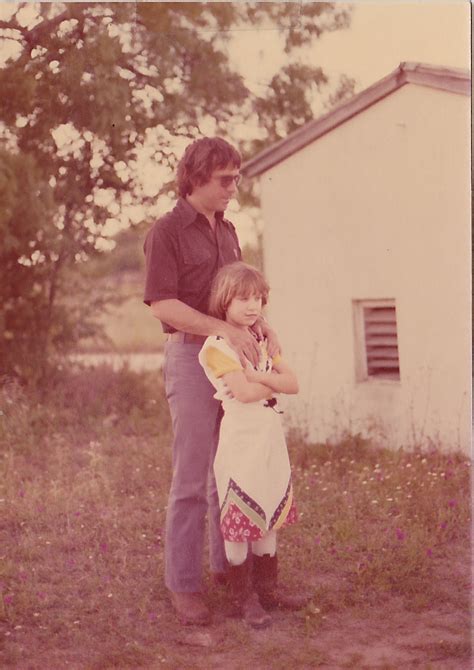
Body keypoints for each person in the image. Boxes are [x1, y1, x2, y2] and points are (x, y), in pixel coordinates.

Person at [143, 137, 279, 626]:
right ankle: (183, 585)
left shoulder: (228, 229)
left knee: (233, 469)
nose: (233, 188)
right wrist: (223, 329)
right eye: (225, 180)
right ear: (195, 176)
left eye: (237, 179)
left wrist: (260, 325)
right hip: (190, 357)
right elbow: (162, 305)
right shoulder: (166, 231)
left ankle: (230, 572)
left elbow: (235, 297)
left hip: (232, 358)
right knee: (191, 479)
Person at [198, 261, 302, 629]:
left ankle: (268, 589)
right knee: (240, 517)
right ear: (224, 301)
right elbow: (241, 393)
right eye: (243, 298)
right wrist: (271, 383)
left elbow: (293, 383)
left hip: (268, 436)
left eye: (258, 298)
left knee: (268, 508)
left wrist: (259, 376)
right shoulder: (217, 347)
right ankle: (242, 597)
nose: (252, 305)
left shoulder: (262, 339)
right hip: (241, 439)